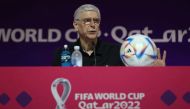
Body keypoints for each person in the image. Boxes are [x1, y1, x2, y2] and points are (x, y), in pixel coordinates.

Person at [53, 4, 166, 66]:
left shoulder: (117, 52)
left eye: (96, 21)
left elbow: (135, 82)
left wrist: (154, 72)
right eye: (87, 20)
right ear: (76, 25)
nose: (93, 25)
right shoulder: (64, 54)